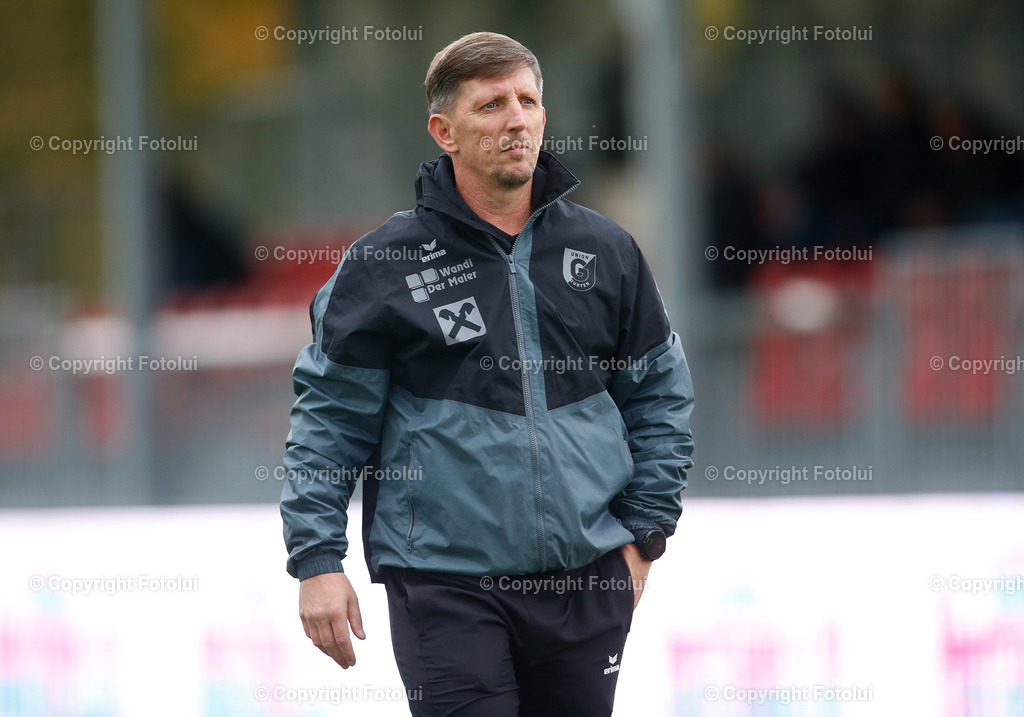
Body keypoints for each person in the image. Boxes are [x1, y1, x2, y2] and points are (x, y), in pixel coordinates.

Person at [281, 31, 694, 716]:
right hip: (445, 583)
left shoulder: (606, 249)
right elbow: (329, 421)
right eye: (492, 105)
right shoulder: (382, 265)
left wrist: (644, 536)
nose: (517, 120)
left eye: (528, 101)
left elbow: (659, 395)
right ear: (444, 131)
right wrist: (317, 558)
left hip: (588, 580)